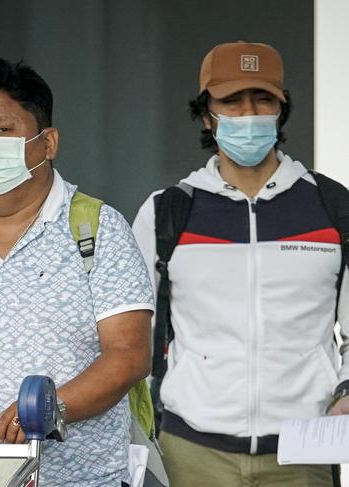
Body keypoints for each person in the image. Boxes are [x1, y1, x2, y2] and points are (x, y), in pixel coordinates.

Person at [0, 57, 154, 487]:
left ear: (48, 142)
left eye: (3, 130)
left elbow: (129, 355)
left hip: (79, 478)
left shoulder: (97, 229)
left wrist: (51, 406)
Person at [132, 40, 349, 487]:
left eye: (262, 98)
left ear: (281, 108)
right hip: (190, 449)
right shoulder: (167, 212)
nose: (248, 113)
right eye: (231, 99)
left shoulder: (332, 207)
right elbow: (130, 336)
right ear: (207, 114)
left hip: (304, 449)